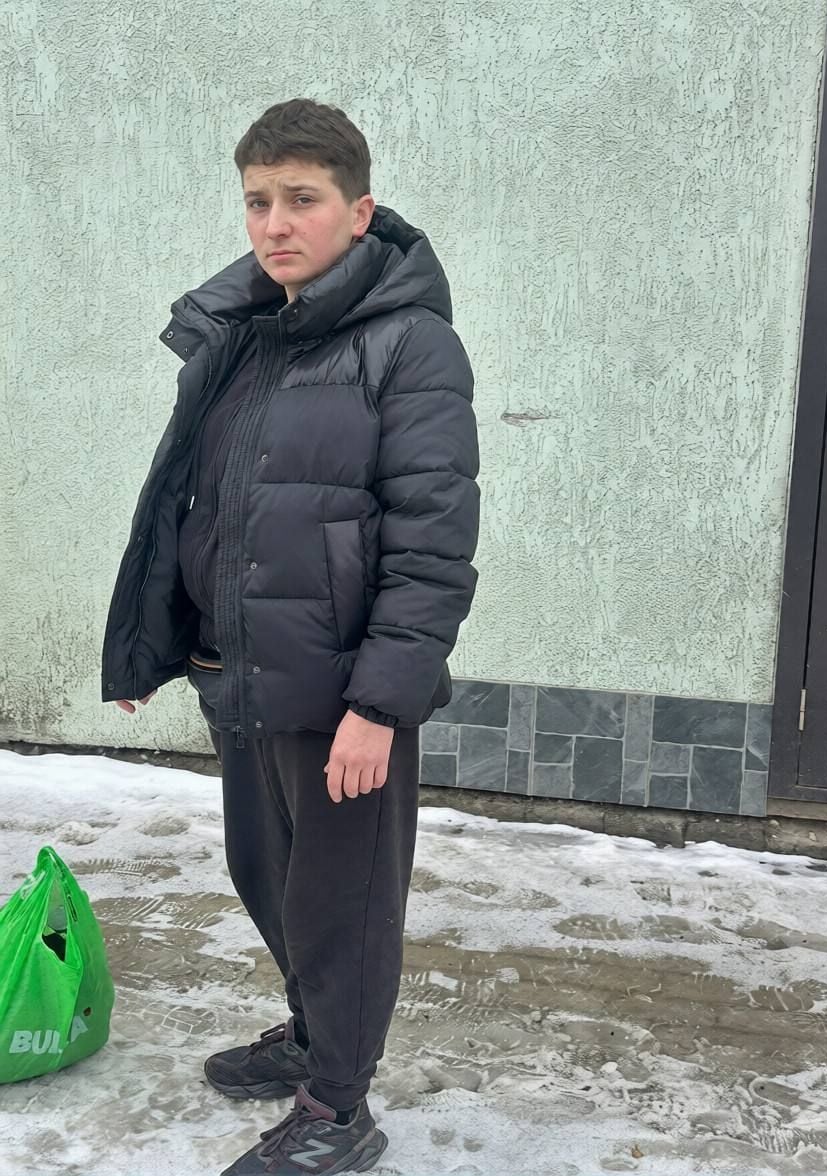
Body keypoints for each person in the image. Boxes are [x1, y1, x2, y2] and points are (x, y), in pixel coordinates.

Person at [102, 97, 480, 1175]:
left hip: (340, 694)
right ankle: (314, 1036)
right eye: (258, 201)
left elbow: (432, 542)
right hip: (239, 673)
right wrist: (159, 637)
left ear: (357, 212)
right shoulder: (245, 337)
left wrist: (379, 704)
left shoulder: (410, 346)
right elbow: (198, 504)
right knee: (265, 877)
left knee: (339, 909)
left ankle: (338, 1110)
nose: (274, 223)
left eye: (301, 200)